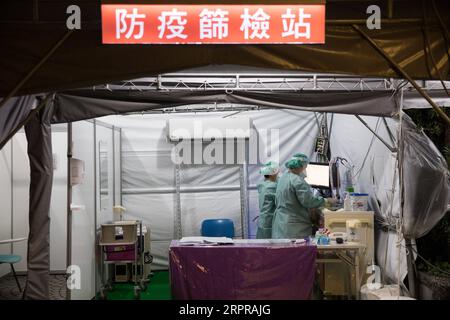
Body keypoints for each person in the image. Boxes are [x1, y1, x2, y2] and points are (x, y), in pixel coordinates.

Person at [272, 153, 332, 239]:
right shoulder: (297, 181)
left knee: (284, 250)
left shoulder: (283, 178)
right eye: (305, 167)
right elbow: (308, 201)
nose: (305, 169)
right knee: (297, 250)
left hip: (281, 221)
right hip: (294, 225)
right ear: (300, 166)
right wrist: (326, 201)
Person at [256, 161, 280, 239]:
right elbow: (280, 202)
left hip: (263, 220)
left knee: (261, 247)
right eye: (277, 173)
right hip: (268, 221)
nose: (278, 175)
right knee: (268, 248)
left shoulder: (263, 185)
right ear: (272, 174)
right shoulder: (272, 186)